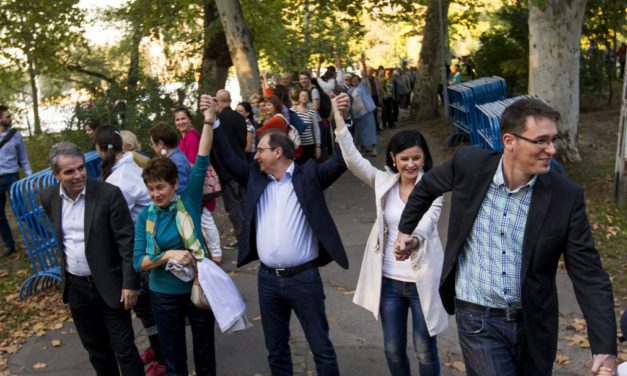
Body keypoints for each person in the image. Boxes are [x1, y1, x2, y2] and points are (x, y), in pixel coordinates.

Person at [395, 98, 617, 376]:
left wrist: (604, 349)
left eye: (553, 140)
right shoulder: (469, 165)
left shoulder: (565, 196)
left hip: (535, 325)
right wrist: (406, 229)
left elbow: (589, 275)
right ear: (509, 141)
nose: (551, 149)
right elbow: (426, 187)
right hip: (478, 319)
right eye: (541, 141)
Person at [201, 92, 352, 376]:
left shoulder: (310, 176)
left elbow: (343, 160)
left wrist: (343, 118)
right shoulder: (256, 178)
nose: (255, 155)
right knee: (276, 349)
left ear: (278, 153)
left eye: (260, 150)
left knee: (320, 346)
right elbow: (230, 161)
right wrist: (215, 124)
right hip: (268, 281)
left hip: (304, 280)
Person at [335, 113, 447, 375]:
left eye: (416, 158)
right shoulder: (383, 181)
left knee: (425, 349)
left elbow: (429, 221)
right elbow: (352, 159)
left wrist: (411, 240)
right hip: (389, 282)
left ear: (424, 158)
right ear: (393, 159)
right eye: (404, 158)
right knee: (393, 349)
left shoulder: (433, 186)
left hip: (423, 281)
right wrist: (338, 117)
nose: (410, 164)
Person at [41, 142, 143, 376]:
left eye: (81, 168)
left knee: (124, 349)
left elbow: (127, 242)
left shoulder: (108, 194)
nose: (78, 175)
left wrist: (130, 283)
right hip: (76, 288)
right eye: (69, 171)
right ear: (56, 175)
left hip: (111, 285)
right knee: (96, 350)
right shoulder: (48, 198)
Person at [133, 98, 218, 375]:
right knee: (174, 359)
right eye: (150, 189)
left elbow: (203, 154)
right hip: (164, 295)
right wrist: (166, 255)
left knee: (205, 351)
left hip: (199, 288)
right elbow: (139, 262)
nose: (156, 194)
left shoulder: (189, 199)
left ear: (175, 184)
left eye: (160, 187)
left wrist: (208, 119)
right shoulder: (147, 217)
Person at [93, 126, 165, 375]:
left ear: (100, 150)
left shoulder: (118, 181)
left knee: (147, 307)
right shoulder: (129, 166)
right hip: (149, 241)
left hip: (143, 247)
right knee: (149, 308)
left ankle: (162, 358)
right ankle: (159, 350)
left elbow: (118, 224)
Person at [173, 107, 223, 265]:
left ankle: (216, 254)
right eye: (177, 119)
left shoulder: (192, 137)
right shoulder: (183, 138)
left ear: (190, 119)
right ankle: (212, 251)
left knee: (207, 220)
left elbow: (195, 164)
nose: (181, 122)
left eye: (183, 118)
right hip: (191, 186)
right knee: (203, 220)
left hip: (197, 187)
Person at [214, 89, 248, 249]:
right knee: (243, 201)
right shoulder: (240, 118)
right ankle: (250, 233)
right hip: (241, 163)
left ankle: (242, 237)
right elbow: (243, 142)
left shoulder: (218, 121)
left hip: (226, 169)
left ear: (218, 102)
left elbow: (216, 148)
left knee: (232, 204)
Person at [0, 105, 32, 256]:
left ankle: (45, 235)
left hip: (12, 177)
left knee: (21, 211)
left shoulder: (15, 135)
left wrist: (30, 176)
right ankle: (9, 245)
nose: (10, 118)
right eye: (7, 117)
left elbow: (24, 158)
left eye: (10, 116)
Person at [348, 55, 378, 157]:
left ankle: (373, 148)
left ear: (359, 81)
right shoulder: (350, 91)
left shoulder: (364, 86)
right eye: (353, 80)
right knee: (360, 133)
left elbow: (365, 75)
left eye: (356, 80)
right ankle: (363, 149)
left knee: (370, 130)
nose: (354, 81)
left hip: (367, 112)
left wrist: (363, 63)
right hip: (357, 115)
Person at [149, 123, 190, 194]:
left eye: (152, 144)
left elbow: (181, 190)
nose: (152, 147)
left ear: (160, 144)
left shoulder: (174, 161)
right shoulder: (177, 154)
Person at [291, 89, 321, 163]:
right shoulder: (292, 110)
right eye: (302, 95)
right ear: (299, 98)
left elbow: (316, 129)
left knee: (310, 166)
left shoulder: (312, 111)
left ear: (308, 98)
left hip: (310, 144)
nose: (304, 97)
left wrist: (318, 146)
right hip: (297, 145)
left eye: (306, 96)